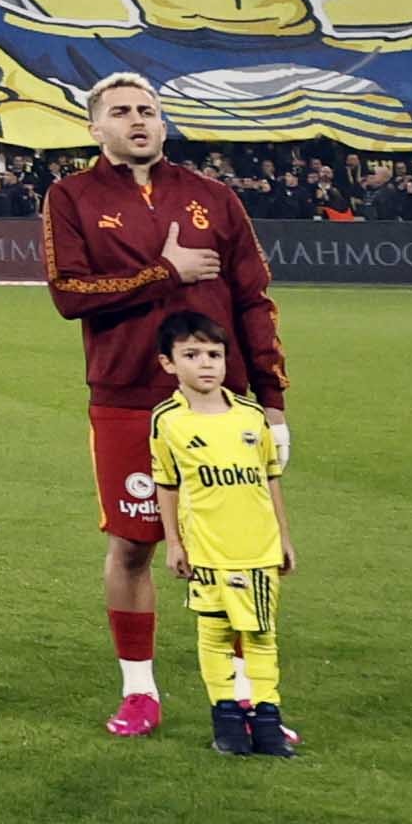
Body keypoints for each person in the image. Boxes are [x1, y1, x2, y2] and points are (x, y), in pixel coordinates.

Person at [38, 72, 285, 739]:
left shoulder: (214, 197)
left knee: (235, 552)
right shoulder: (71, 196)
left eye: (147, 109)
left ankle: (246, 696)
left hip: (220, 404)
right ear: (95, 127)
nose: (138, 120)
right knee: (132, 546)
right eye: (121, 111)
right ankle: (139, 690)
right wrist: (165, 273)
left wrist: (271, 399)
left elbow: (253, 300)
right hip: (127, 398)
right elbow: (68, 293)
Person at [142, 311, 296, 757]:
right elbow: (166, 483)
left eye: (214, 354)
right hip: (206, 549)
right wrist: (174, 543)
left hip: (257, 546)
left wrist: (284, 536)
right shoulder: (167, 420)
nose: (206, 363)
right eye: (192, 355)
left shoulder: (250, 415)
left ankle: (267, 718)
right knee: (214, 633)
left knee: (261, 635)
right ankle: (226, 718)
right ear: (168, 363)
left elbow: (270, 478)